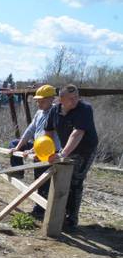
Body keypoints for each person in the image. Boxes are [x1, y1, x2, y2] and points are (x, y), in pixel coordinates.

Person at [44, 84, 99, 230]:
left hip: (84, 149)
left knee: (75, 181)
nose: (75, 100)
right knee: (59, 178)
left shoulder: (84, 109)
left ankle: (71, 220)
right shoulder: (54, 111)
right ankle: (56, 213)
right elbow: (48, 133)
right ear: (61, 99)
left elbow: (77, 133)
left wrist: (62, 154)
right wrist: (47, 151)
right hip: (66, 148)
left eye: (77, 97)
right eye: (71, 98)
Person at [9, 84, 61, 218]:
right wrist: (19, 147)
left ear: (51, 99)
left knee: (41, 179)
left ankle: (40, 210)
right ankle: (18, 172)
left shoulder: (55, 112)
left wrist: (33, 150)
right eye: (38, 100)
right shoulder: (39, 113)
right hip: (38, 145)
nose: (39, 103)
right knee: (13, 143)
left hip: (49, 149)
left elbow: (47, 135)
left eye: (42, 101)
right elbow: (30, 130)